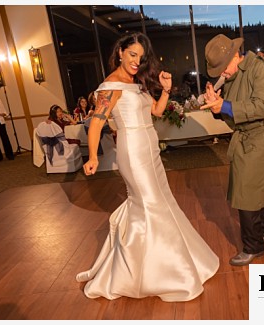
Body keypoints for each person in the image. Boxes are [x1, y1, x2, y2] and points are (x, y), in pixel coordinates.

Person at [77, 32, 219, 301]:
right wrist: (93, 156)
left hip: (151, 149)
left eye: (141, 58)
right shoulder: (110, 87)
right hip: (133, 152)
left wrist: (165, 89)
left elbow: (155, 111)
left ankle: (171, 265)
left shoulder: (136, 83)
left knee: (163, 202)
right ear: (120, 52)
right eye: (132, 55)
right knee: (150, 205)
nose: (136, 61)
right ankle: (159, 273)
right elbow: (96, 122)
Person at [200, 34, 264, 266]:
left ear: (234, 55)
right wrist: (218, 108)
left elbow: (263, 106)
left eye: (222, 69)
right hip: (248, 136)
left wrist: (225, 105)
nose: (221, 75)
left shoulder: (262, 70)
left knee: (245, 192)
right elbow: (234, 116)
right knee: (256, 187)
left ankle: (253, 247)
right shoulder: (233, 76)